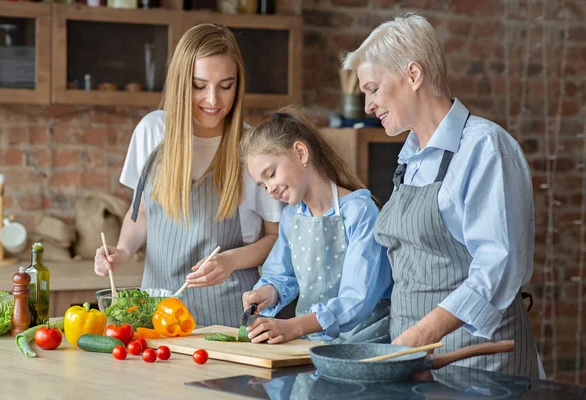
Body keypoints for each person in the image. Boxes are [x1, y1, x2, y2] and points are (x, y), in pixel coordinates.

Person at [343, 14, 544, 377]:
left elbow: (498, 266)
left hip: (480, 364)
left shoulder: (484, 148)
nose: (368, 105)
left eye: (373, 88)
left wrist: (422, 332)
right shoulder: (410, 158)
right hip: (416, 361)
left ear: (414, 75)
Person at [93, 24, 283, 328]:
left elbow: (275, 237)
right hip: (155, 317)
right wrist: (122, 251)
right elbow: (140, 212)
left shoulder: (252, 149)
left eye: (226, 86)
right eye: (199, 85)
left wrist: (231, 261)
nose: (213, 100)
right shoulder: (152, 132)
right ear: (182, 82)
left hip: (229, 319)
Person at [240, 108, 392, 344]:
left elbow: (357, 299)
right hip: (312, 345)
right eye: (262, 185)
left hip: (366, 346)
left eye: (271, 174)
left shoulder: (360, 212)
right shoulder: (291, 217)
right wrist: (266, 293)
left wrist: (294, 326)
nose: (269, 189)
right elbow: (281, 275)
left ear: (300, 153)